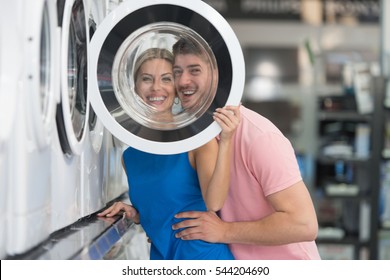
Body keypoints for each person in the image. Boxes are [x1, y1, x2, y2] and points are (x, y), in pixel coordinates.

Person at [171, 38, 321, 260]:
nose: (183, 81)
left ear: (217, 75)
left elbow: (303, 224)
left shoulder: (258, 137)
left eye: (194, 70)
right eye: (177, 71)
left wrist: (224, 231)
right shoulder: (193, 137)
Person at [98, 47, 240, 260]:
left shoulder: (197, 142)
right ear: (134, 88)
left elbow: (215, 203)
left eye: (166, 79)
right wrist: (136, 215)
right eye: (147, 79)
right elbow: (163, 208)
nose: (156, 88)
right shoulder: (130, 157)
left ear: (175, 88)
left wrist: (226, 140)